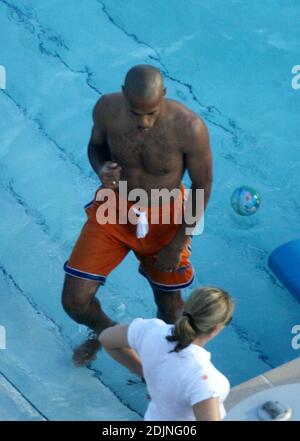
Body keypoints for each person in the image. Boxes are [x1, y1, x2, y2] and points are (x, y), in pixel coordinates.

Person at [61, 64, 212, 367]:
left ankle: (161, 365)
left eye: (151, 113)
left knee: (169, 306)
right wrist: (101, 167)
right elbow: (95, 147)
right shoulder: (106, 108)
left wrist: (177, 242)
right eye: (135, 113)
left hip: (166, 218)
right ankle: (107, 335)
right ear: (123, 94)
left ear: (164, 96)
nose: (143, 122)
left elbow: (202, 186)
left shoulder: (189, 127)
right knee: (74, 302)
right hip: (114, 209)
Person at [99, 286, 234, 421]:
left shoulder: (150, 330)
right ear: (215, 328)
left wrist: (145, 374)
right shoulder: (204, 379)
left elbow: (105, 338)